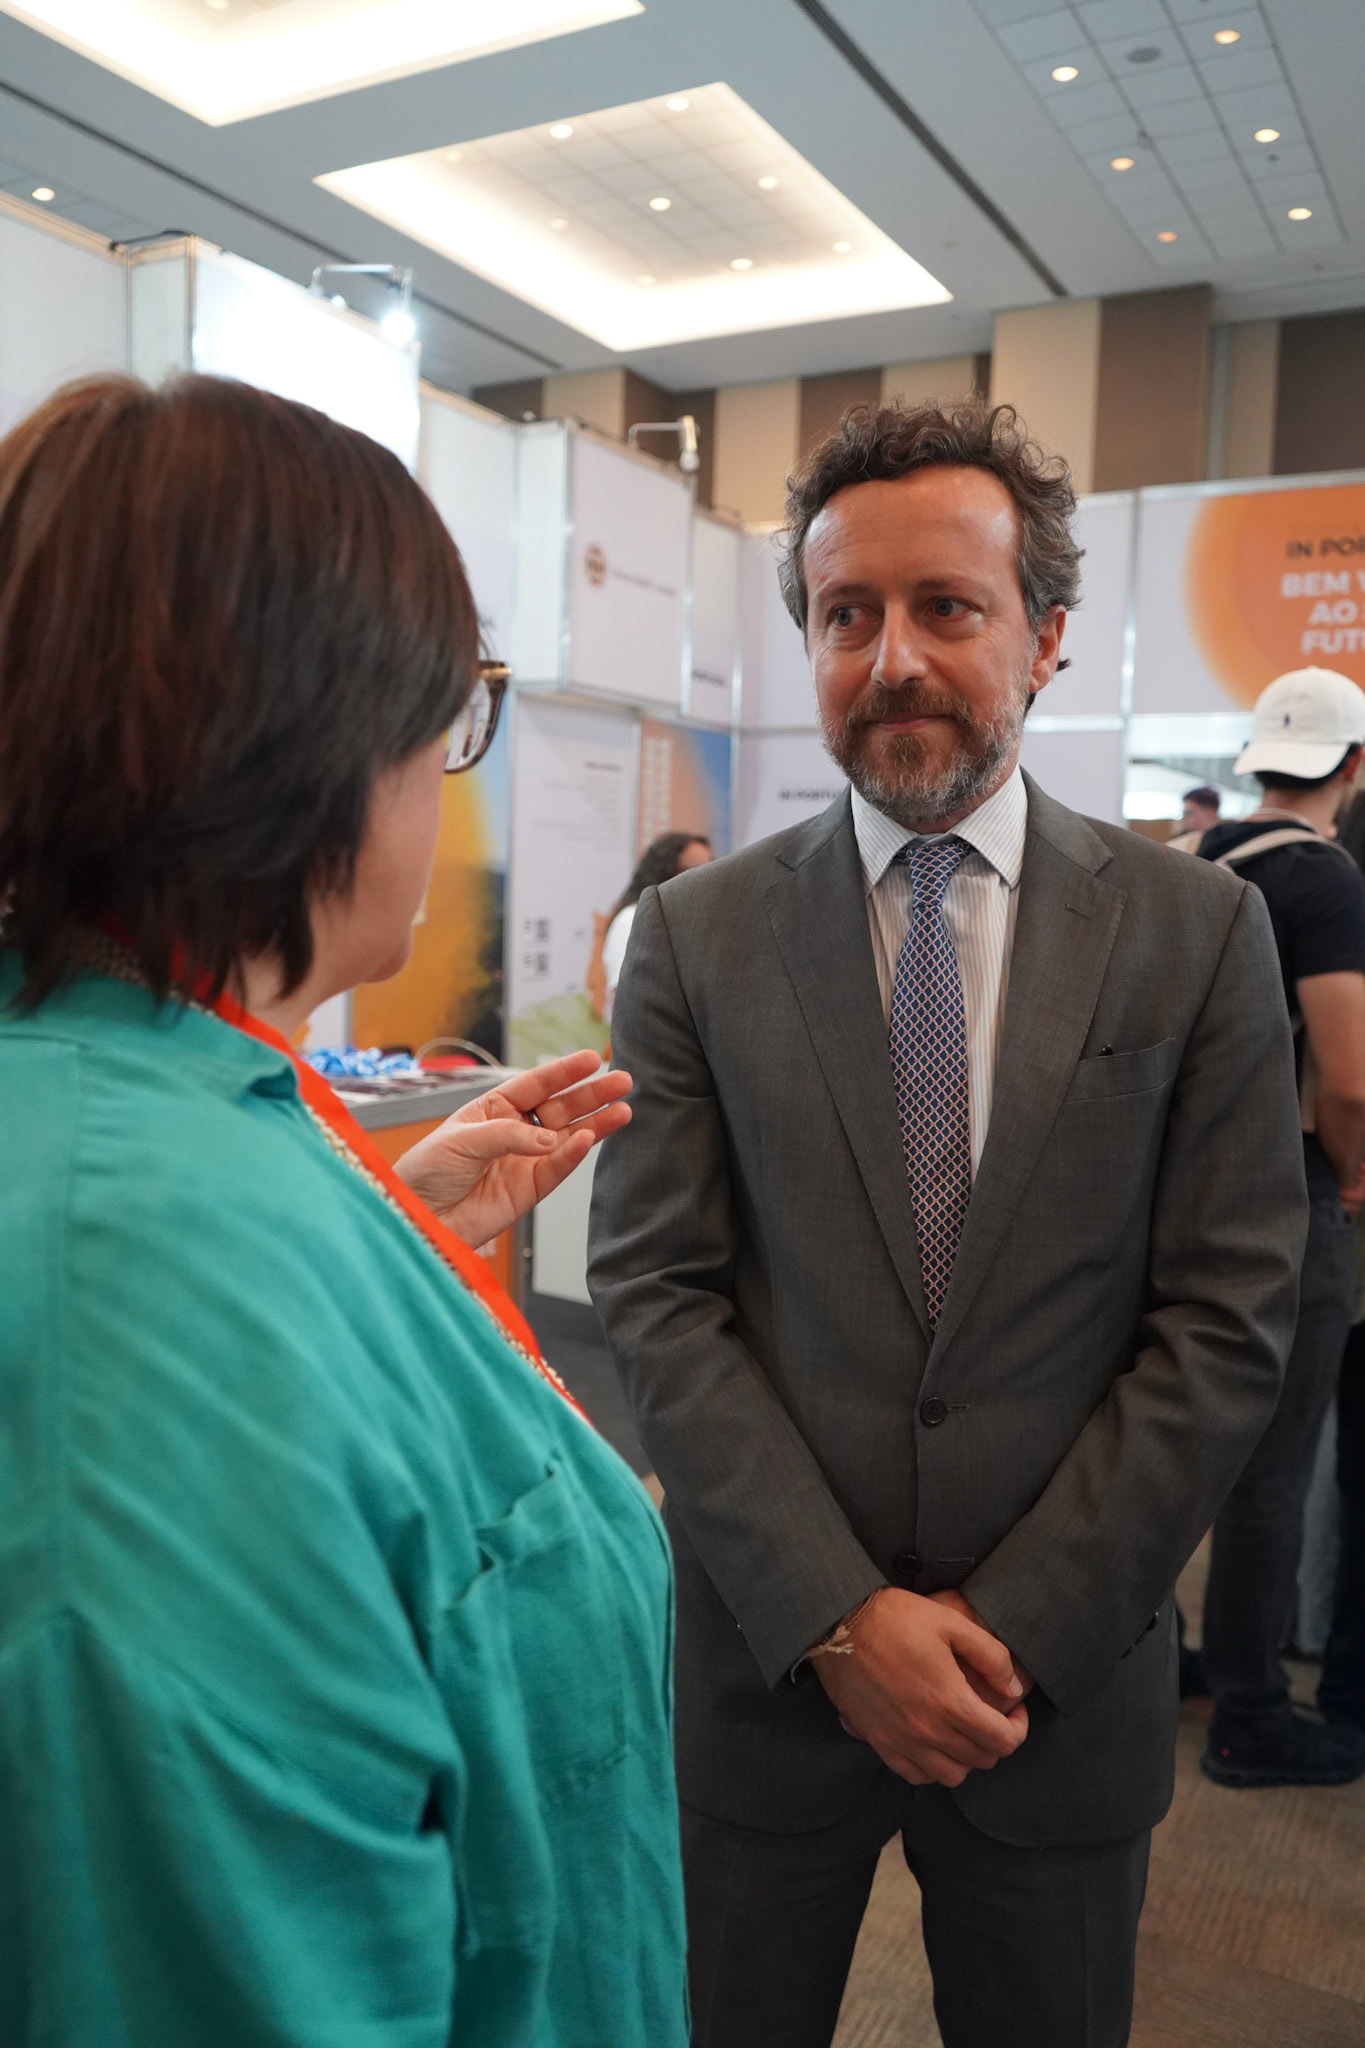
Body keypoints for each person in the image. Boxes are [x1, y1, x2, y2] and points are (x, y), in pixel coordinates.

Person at [588, 398, 1304, 2048]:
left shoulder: (1196, 934)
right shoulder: (696, 940)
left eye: (946, 607)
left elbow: (1226, 1315)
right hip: (771, 1680)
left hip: (1055, 1694)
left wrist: (1010, 1627)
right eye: (847, 615)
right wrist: (843, 1622)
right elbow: (659, 1294)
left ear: (1046, 638)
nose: (892, 657)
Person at [0, 374, 687, 2047]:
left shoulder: (163, 1090)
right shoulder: (148, 1273)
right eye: (444, 719)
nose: (446, 782)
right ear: (302, 737)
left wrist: (389, 1243)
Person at [1193, 668, 1365, 1788]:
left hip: (1184, 1195)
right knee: (1274, 1466)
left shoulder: (1195, 859)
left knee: (1177, 1448)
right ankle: (1249, 1715)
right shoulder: (1323, 879)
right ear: (1352, 766)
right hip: (1290, 1196)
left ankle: (1176, 1659)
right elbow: (1347, 1075)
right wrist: (1350, 1174)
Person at [601, 832, 712, 1012]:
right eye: (694, 871)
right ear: (665, 872)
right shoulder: (632, 919)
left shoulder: (689, 920)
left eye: (712, 869)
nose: (707, 880)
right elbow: (628, 1001)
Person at [1168, 783, 1221, 852]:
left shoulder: (1222, 845)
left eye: (1188, 813)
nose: (1183, 820)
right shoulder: (1183, 839)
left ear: (1210, 812)